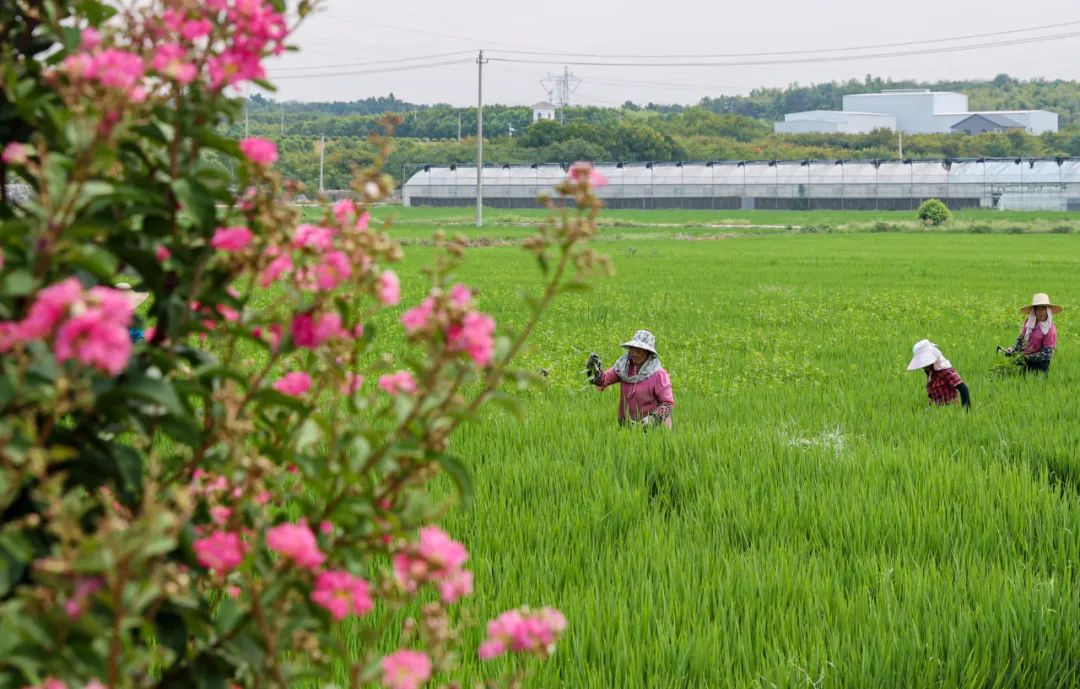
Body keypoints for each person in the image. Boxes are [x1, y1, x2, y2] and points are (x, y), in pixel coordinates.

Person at [586, 329, 674, 428]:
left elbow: (667, 404)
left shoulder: (659, 374)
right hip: (627, 428)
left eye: (639, 351)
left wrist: (652, 419)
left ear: (648, 353)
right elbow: (603, 380)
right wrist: (594, 371)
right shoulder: (623, 367)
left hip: (654, 429)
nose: (634, 353)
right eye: (632, 349)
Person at [1004, 293, 1061, 374]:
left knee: (1033, 383)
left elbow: (1048, 354)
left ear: (1048, 310)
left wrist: (1029, 357)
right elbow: (1021, 340)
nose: (1041, 312)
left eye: (1043, 309)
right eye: (1037, 309)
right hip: (1024, 361)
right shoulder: (1029, 322)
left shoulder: (1050, 329)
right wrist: (1012, 349)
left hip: (1040, 365)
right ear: (1034, 310)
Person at [906, 339, 970, 409]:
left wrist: (966, 410)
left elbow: (963, 389)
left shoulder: (946, 372)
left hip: (951, 407)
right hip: (939, 409)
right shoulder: (931, 373)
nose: (923, 366)